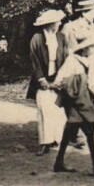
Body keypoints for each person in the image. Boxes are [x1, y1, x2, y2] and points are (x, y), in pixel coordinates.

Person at [52, 33, 94, 176]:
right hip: (73, 100)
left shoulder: (88, 61)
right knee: (88, 129)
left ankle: (59, 162)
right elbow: (59, 80)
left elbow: (93, 83)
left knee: (72, 129)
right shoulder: (72, 61)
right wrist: (72, 84)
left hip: (83, 99)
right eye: (93, 46)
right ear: (85, 48)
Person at [28, 10, 69, 156]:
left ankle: (57, 139)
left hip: (58, 78)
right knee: (44, 109)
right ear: (50, 23)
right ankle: (45, 142)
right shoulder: (37, 38)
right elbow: (35, 61)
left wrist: (62, 78)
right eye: (57, 21)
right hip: (43, 79)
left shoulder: (61, 38)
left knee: (58, 110)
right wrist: (41, 79)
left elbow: (66, 58)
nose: (59, 23)